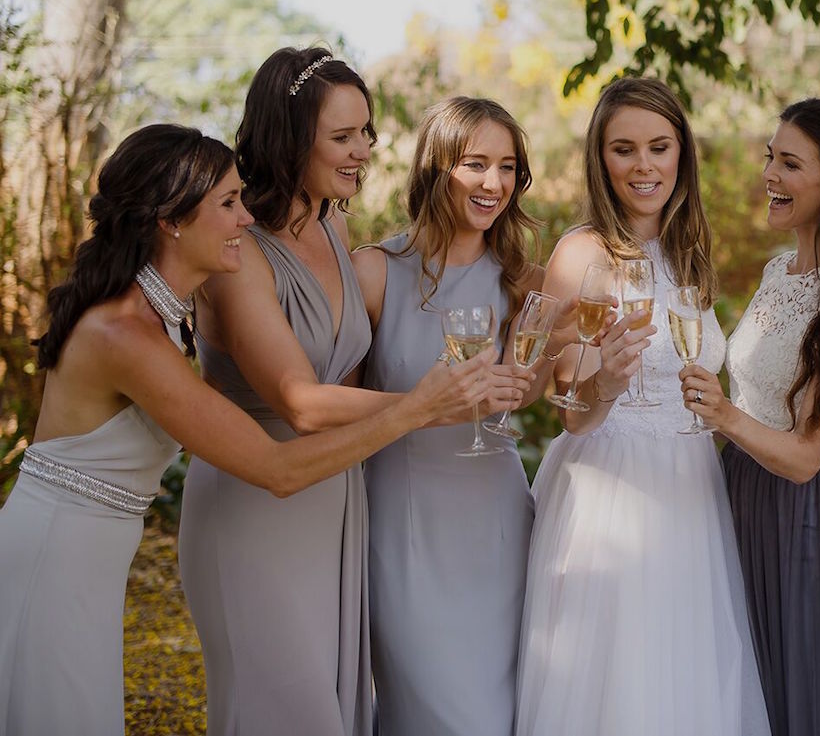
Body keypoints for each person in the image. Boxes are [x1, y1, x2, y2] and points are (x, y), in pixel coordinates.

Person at [0, 125, 496, 736]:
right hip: (56, 558)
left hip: (91, 560)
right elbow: (276, 468)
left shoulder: (160, 322)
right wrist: (415, 409)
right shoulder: (124, 333)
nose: (244, 220)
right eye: (229, 204)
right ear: (171, 220)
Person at [177, 49, 528, 736]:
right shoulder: (237, 248)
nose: (364, 150)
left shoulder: (334, 227)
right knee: (279, 712)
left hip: (337, 503)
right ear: (288, 136)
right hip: (256, 501)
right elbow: (302, 400)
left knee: (338, 713)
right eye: (343, 136)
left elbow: (352, 379)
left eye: (366, 132)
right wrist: (431, 402)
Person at [515, 77, 769, 736]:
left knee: (685, 679)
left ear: (682, 153)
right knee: (614, 683)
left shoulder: (691, 253)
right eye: (624, 149)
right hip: (610, 489)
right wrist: (603, 381)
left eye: (659, 146)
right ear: (601, 158)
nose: (643, 165)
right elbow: (566, 400)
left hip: (691, 489)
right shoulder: (581, 250)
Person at [680, 97, 820, 736]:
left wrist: (720, 414)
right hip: (742, 494)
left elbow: (807, 456)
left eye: (789, 163)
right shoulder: (779, 270)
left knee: (805, 693)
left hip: (804, 517)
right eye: (768, 158)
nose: (769, 176)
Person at [354, 97, 573, 736]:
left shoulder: (521, 282)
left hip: (498, 520)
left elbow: (530, 390)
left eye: (507, 167)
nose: (494, 183)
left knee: (500, 715)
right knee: (436, 713)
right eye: (475, 163)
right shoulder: (374, 273)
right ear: (436, 167)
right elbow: (338, 405)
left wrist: (563, 353)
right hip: (405, 523)